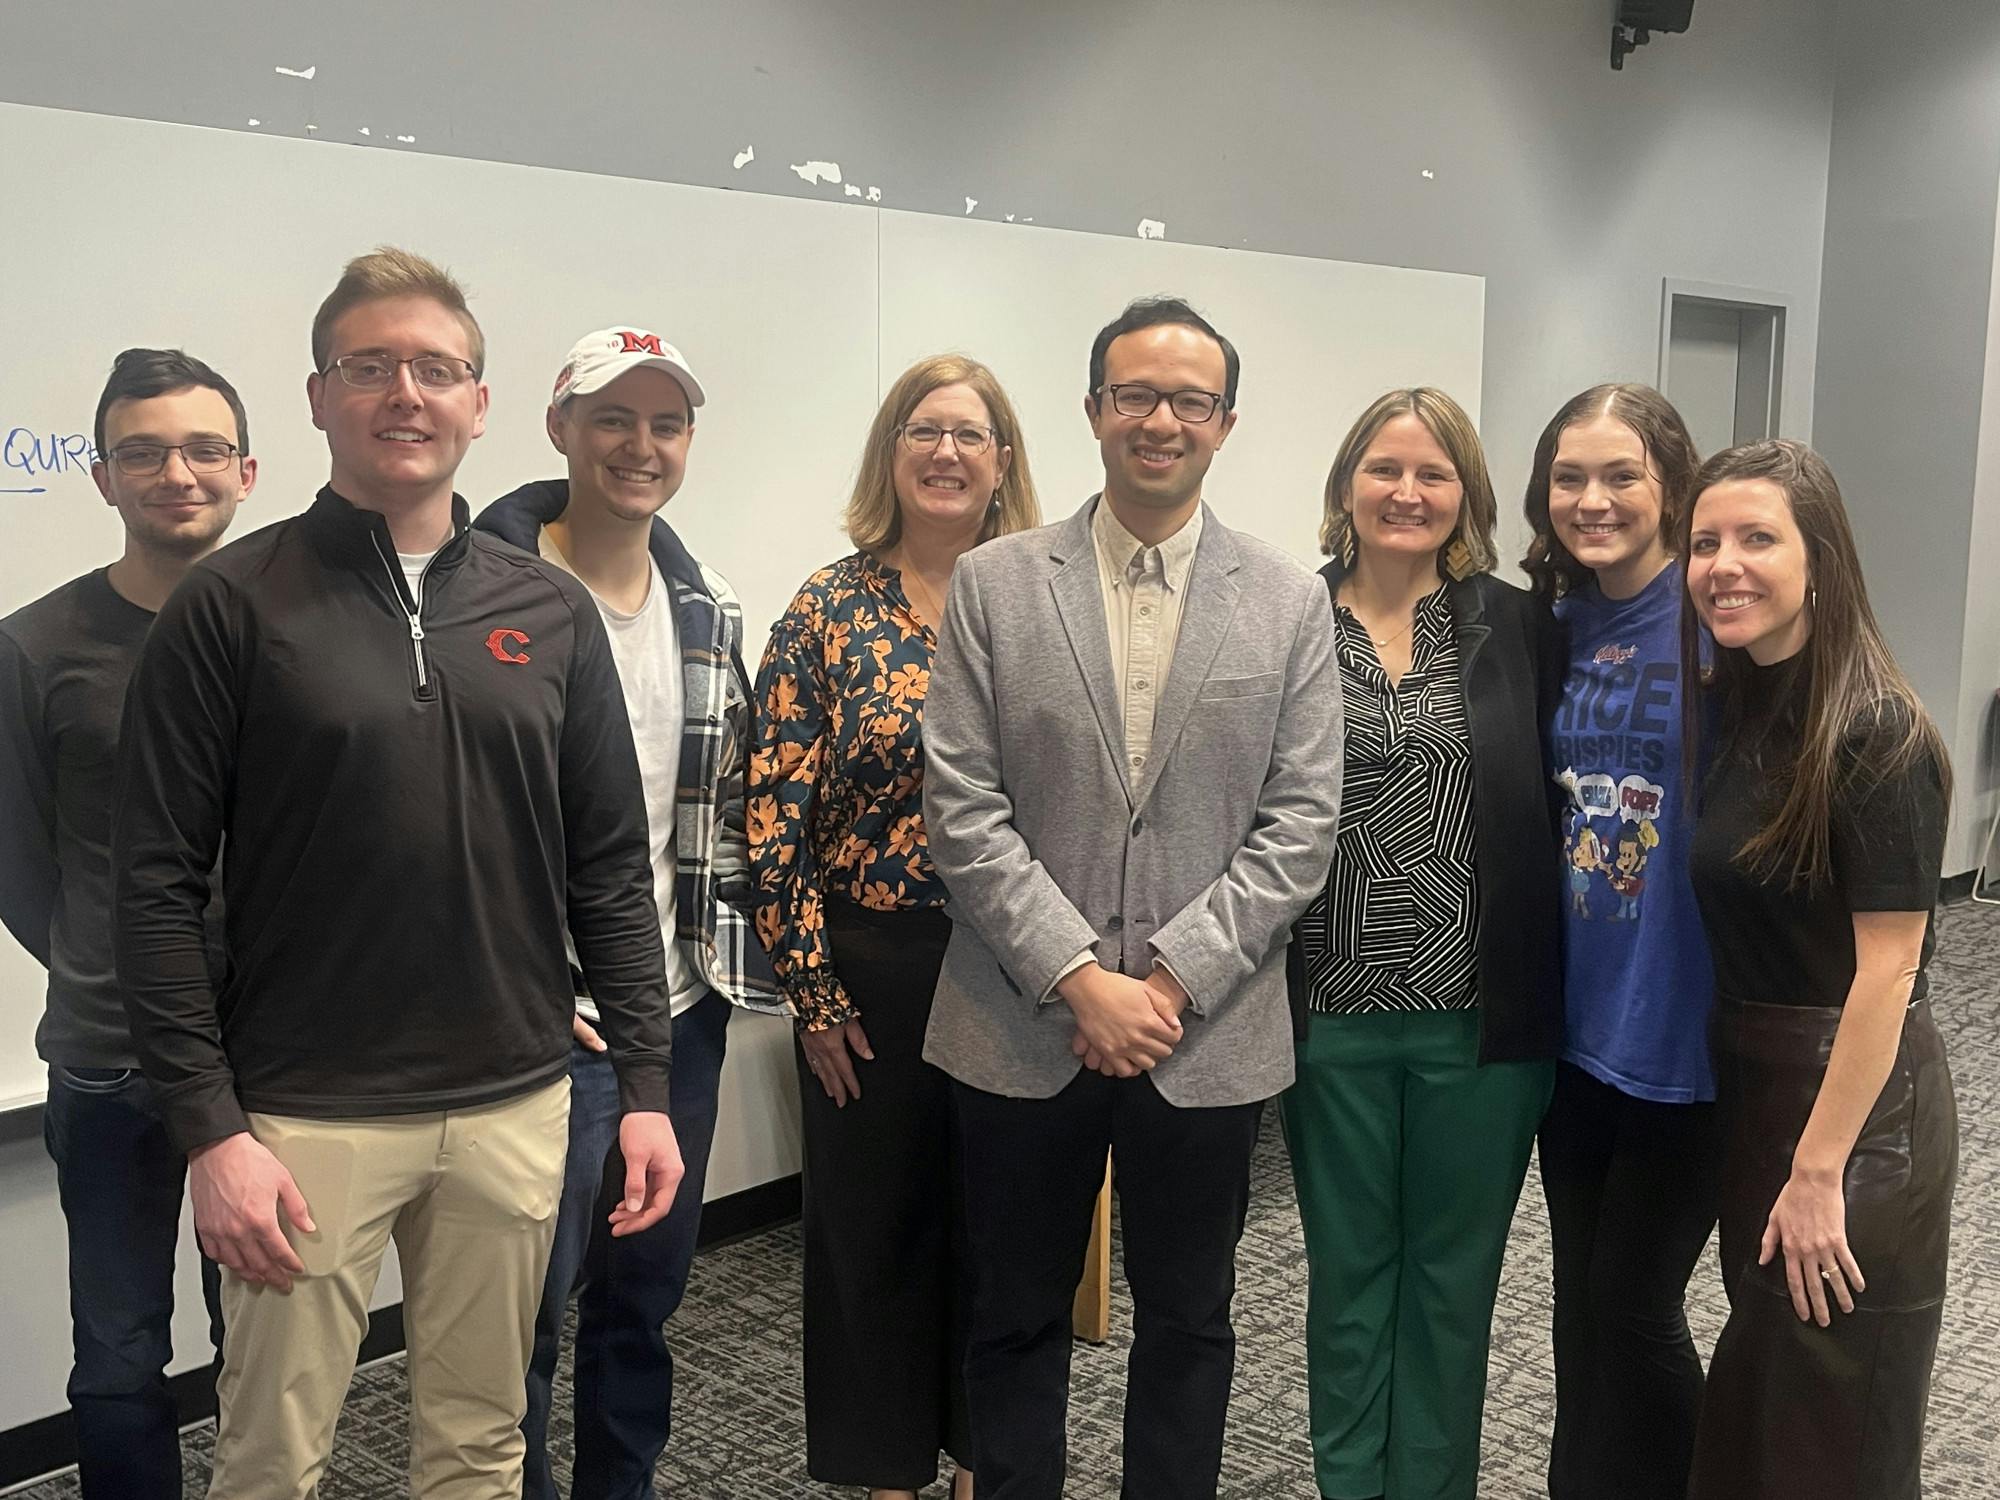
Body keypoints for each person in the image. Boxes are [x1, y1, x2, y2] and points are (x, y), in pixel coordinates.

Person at [111, 248, 683, 1499]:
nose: (404, 394)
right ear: (319, 398)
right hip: (303, 1119)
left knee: (479, 1446)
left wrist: (642, 1084)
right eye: (369, 368)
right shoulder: (230, 606)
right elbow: (149, 887)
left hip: (514, 1106)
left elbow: (605, 873)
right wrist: (212, 1133)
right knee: (269, 1456)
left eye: (436, 369)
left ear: (480, 402)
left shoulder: (550, 610)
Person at [919, 297, 1343, 1500]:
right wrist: (1074, 976)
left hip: (1201, 1034)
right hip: (1018, 1026)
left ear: (1224, 422)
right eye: (1135, 396)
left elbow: (1299, 821)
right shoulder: (996, 584)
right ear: (1095, 409)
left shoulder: (1284, 598)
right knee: (1008, 1321)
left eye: (1187, 401)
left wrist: (1164, 982)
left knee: (1190, 1324)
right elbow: (962, 806)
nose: (1160, 420)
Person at [477, 327, 782, 1499]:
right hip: (540, 1024)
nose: (638, 446)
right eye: (612, 418)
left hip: (675, 1014)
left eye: (665, 424)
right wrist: (527, 982)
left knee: (644, 1296)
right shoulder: (476, 597)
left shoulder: (705, 612)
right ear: (559, 429)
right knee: (520, 1315)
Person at [750, 353, 1040, 1500]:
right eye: (924, 430)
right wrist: (813, 996)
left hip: (1017, 967)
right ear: (892, 453)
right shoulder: (828, 608)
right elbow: (769, 818)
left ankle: (982, 1460)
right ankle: (883, 1475)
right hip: (871, 974)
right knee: (872, 1240)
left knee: (998, 1235)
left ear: (1002, 461)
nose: (946, 452)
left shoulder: (1034, 606)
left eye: (970, 434)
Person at [1283, 387, 1562, 1500]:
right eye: (1384, 469)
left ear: (1465, 497)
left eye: (1432, 473)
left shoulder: (1518, 627)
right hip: (1326, 1017)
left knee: (1453, 1288)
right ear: (1346, 484)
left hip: (1479, 1025)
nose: (1406, 492)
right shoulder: (1286, 620)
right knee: (1346, 1284)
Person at [1680, 440, 1957, 1500]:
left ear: (1820, 562)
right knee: (1764, 1396)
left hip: (1851, 1121)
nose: (1723, 564)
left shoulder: (1874, 732)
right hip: (1761, 1094)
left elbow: (1887, 975)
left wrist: (1816, 1170)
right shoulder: (1748, 703)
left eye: (1756, 538)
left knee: (1829, 1424)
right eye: (1705, 542)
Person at [0, 349, 252, 1498]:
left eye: (202, 448)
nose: (175, 473)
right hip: (107, 1065)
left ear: (246, 470)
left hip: (270, 1053)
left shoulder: (284, 634)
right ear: (102, 477)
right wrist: (111, 970)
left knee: (268, 1346)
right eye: (143, 451)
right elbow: (17, 861)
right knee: (116, 1358)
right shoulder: (34, 646)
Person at [1519, 384, 1718, 1500]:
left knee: (1632, 1310)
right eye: (1567, 478)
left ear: (1668, 485)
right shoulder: (1552, 629)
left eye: (1619, 476)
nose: (1590, 501)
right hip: (1574, 1031)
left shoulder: (1713, 616)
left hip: (1681, 1032)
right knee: (1576, 1304)